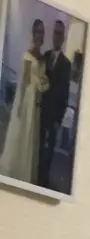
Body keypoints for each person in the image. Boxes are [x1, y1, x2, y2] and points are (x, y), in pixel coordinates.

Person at [0, 18, 46, 186]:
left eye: (42, 32)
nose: (40, 35)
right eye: (38, 31)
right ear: (33, 33)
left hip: (37, 102)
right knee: (23, 131)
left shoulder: (43, 57)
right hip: (27, 99)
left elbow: (42, 78)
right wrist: (19, 106)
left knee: (31, 135)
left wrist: (42, 86)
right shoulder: (28, 55)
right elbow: (24, 82)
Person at [37, 18, 71, 188]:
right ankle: (36, 174)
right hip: (41, 109)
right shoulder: (46, 55)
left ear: (63, 37)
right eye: (55, 33)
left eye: (59, 33)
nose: (56, 36)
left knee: (50, 148)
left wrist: (59, 118)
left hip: (54, 114)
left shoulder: (66, 64)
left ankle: (44, 180)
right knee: (38, 144)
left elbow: (65, 94)